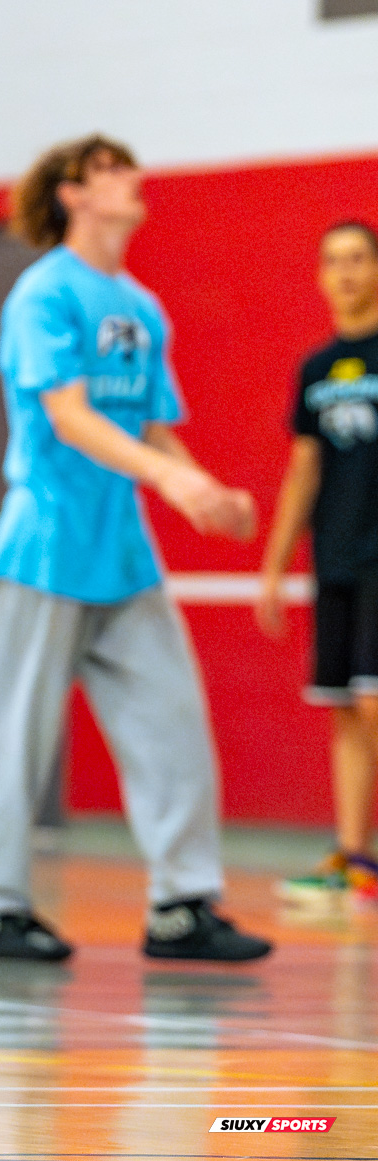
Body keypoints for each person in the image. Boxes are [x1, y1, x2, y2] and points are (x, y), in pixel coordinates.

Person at [0, 134, 271, 964]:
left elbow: (152, 425)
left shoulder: (141, 304)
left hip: (121, 549)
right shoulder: (42, 294)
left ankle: (182, 906)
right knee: (16, 733)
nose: (134, 178)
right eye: (112, 169)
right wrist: (171, 484)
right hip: (47, 541)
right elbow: (69, 415)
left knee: (172, 723)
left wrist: (206, 485)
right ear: (73, 192)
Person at [257, 221, 378, 902]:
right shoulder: (317, 368)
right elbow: (304, 469)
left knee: (373, 699)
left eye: (359, 258)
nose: (346, 272)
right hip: (334, 555)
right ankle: (354, 857)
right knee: (343, 705)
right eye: (333, 261)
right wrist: (274, 567)